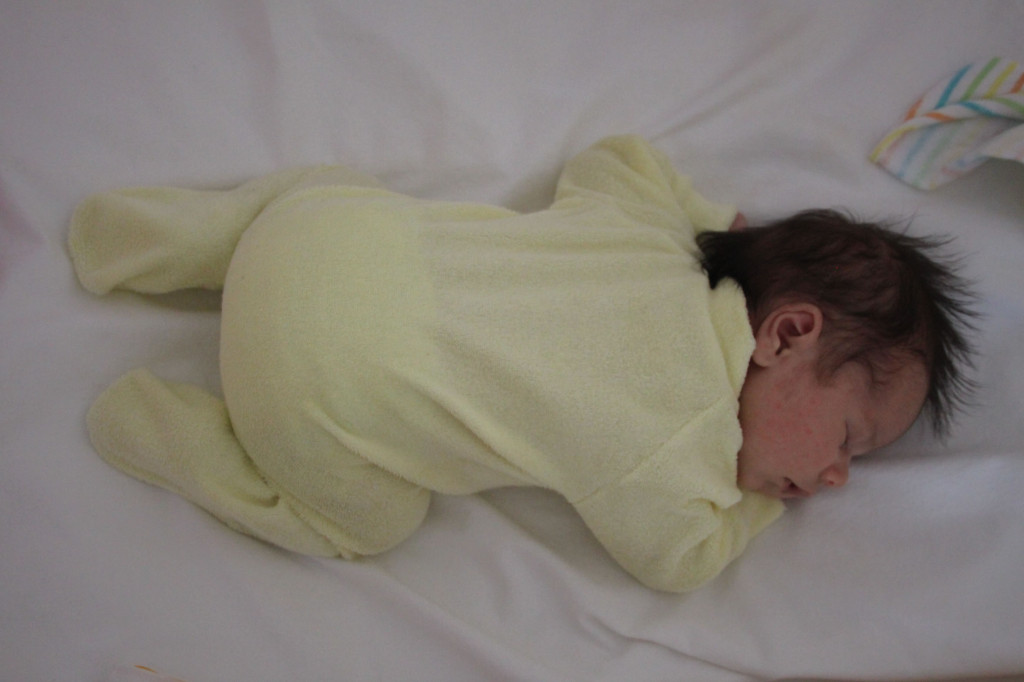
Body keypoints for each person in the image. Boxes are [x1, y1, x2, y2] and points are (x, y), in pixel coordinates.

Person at [68, 136, 974, 592]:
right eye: (849, 439)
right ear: (784, 335)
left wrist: (716, 225)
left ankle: (170, 241)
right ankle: (167, 433)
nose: (835, 477)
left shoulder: (655, 236)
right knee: (370, 523)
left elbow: (617, 155)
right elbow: (680, 561)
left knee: (334, 198)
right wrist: (758, 505)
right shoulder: (675, 451)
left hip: (314, 234)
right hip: (309, 397)